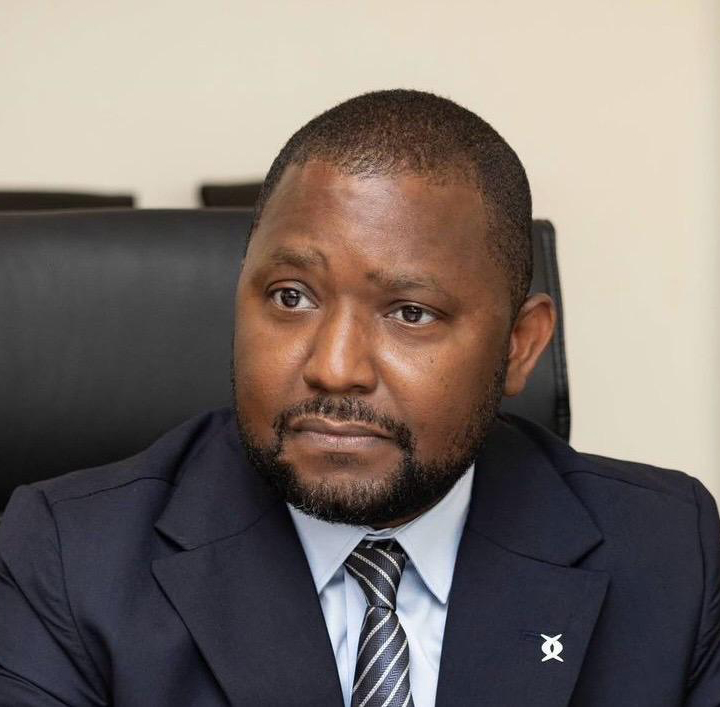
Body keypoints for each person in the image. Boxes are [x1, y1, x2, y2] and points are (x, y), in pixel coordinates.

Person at [0, 90, 717, 707]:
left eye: (411, 312)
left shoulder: (669, 552)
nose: (334, 368)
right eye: (291, 297)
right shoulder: (68, 561)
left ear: (520, 346)